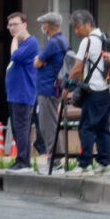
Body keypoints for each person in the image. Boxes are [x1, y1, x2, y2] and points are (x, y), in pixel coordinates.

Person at [67, 10, 110, 175]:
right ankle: (104, 164)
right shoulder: (104, 38)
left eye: (78, 27)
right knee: (102, 129)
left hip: (94, 90)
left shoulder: (88, 41)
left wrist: (67, 85)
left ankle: (85, 164)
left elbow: (77, 68)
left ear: (87, 24)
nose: (77, 32)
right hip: (108, 92)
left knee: (86, 128)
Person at [33, 12, 69, 169]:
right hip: (53, 88)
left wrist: (40, 61)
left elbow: (37, 62)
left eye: (43, 23)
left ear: (48, 25)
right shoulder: (61, 41)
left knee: (47, 126)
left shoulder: (52, 43)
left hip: (48, 89)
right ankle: (55, 160)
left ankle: (54, 162)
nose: (42, 26)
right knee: (50, 124)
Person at [5, 12, 38, 172]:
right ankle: (20, 160)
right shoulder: (22, 42)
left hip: (23, 93)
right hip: (14, 94)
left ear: (24, 25)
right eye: (10, 25)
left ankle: (24, 162)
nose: (12, 28)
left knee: (22, 128)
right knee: (17, 129)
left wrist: (14, 39)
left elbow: (15, 56)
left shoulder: (30, 43)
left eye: (15, 24)